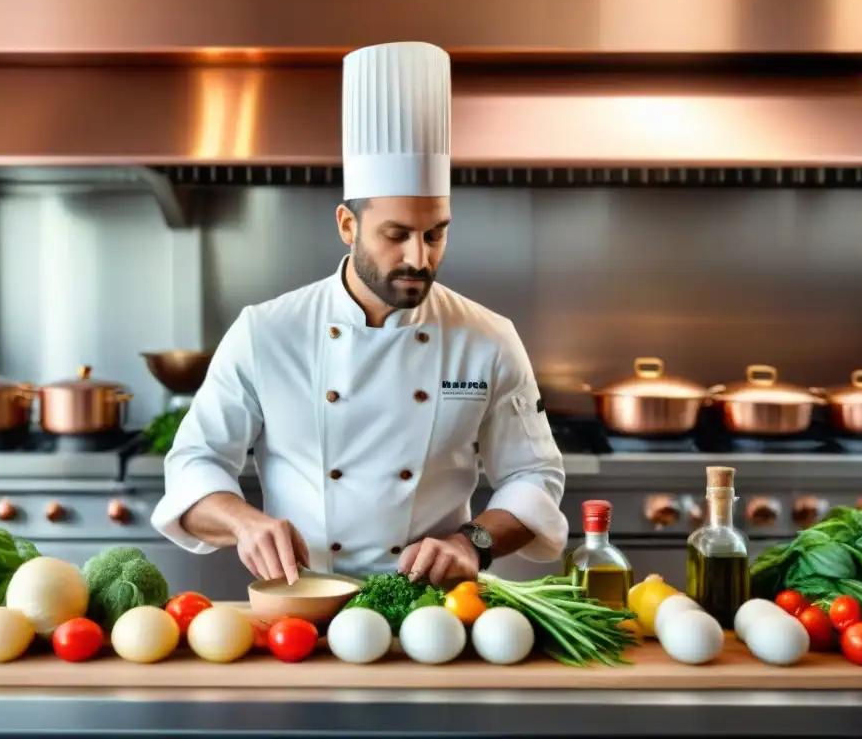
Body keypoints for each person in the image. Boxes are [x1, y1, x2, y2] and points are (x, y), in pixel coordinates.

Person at [151, 41, 568, 587]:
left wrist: (473, 544)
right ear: (348, 226)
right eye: (395, 235)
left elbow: (534, 475)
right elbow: (192, 464)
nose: (419, 258)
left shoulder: (487, 338)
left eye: (435, 234)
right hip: (305, 605)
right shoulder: (267, 332)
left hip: (435, 610)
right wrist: (244, 523)